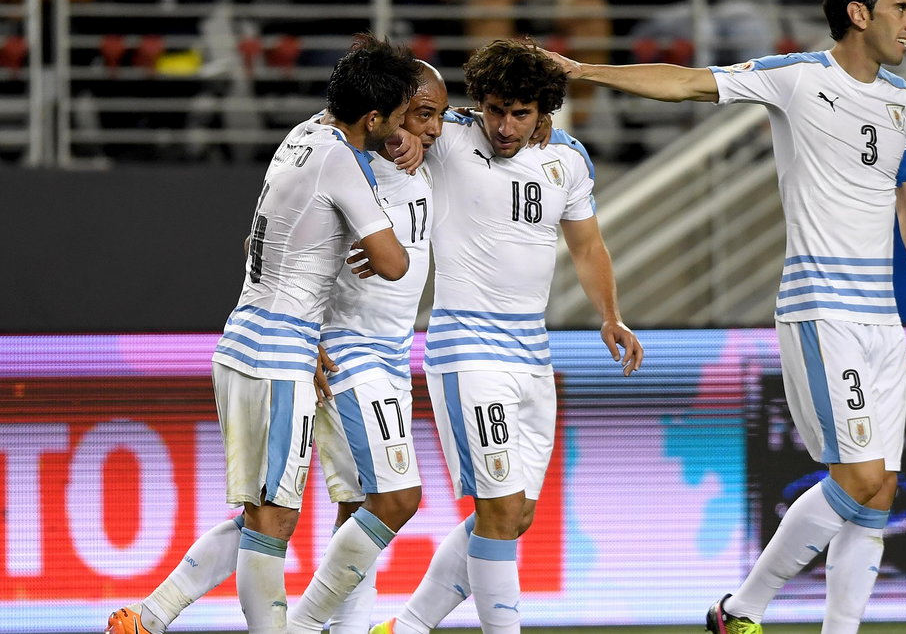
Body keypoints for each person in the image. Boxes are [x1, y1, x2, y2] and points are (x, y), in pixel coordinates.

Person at [541, 0, 906, 633]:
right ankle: (740, 608)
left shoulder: (903, 102)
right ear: (860, 14)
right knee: (856, 477)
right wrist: (587, 72)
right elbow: (687, 83)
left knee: (879, 490)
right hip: (820, 309)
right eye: (902, 8)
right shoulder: (797, 77)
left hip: (885, 321)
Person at [105, 32, 422, 634]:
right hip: (280, 354)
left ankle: (148, 618)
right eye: (400, 115)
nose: (406, 126)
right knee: (274, 521)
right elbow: (394, 263)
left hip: (245, 337)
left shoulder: (302, 136)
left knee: (259, 514)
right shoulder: (342, 161)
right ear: (374, 116)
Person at [371, 39, 644, 634]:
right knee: (495, 509)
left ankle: (407, 627)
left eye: (520, 113)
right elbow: (379, 124)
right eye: (495, 109)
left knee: (515, 514)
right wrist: (400, 135)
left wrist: (610, 314)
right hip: (466, 348)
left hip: (532, 352)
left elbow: (587, 244)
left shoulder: (568, 158)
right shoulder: (447, 137)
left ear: (544, 110)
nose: (504, 125)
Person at [286, 61, 450, 634]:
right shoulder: (339, 152)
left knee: (361, 506)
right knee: (396, 498)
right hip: (345, 343)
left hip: (393, 350)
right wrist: (301, 334)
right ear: (384, 113)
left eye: (439, 116)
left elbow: (498, 127)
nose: (433, 129)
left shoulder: (430, 146)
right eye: (422, 115)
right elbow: (273, 234)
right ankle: (303, 626)